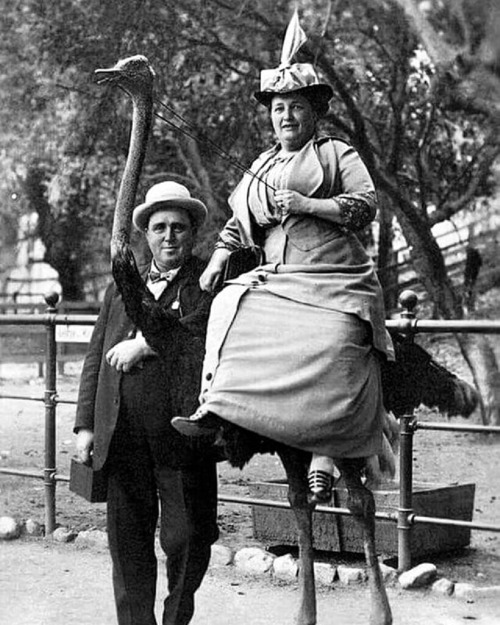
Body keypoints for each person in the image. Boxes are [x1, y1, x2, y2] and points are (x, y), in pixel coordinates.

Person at [172, 15, 394, 501]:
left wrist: (309, 205)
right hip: (278, 276)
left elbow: (366, 204)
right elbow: (236, 224)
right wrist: (217, 259)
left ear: (314, 112)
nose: (286, 116)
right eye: (277, 109)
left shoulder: (337, 154)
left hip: (337, 276)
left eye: (295, 107)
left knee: (338, 338)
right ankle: (218, 410)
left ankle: (328, 450)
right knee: (228, 305)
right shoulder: (260, 166)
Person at [74, 181, 219, 625]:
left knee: (188, 539)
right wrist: (85, 427)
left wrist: (147, 346)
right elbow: (96, 357)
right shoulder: (122, 288)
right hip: (123, 438)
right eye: (159, 227)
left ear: (193, 233)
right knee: (128, 544)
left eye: (178, 226)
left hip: (182, 439)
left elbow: (203, 334)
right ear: (146, 235)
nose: (169, 236)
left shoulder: (209, 284)